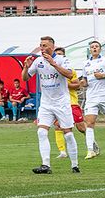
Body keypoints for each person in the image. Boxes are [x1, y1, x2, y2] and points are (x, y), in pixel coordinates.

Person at [22, 36, 80, 174]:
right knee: (41, 132)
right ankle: (45, 165)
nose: (42, 48)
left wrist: (54, 63)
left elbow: (70, 74)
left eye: (45, 45)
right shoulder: (38, 61)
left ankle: (75, 165)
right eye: (41, 45)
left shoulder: (61, 59)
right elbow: (25, 78)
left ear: (52, 47)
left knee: (68, 134)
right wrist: (25, 67)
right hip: (46, 103)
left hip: (62, 103)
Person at [52, 46, 99, 159]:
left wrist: (65, 85)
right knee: (58, 127)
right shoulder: (51, 71)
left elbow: (77, 86)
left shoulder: (70, 71)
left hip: (71, 103)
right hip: (58, 104)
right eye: (56, 54)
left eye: (60, 54)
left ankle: (92, 143)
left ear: (64, 57)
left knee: (81, 127)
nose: (58, 56)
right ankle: (63, 152)